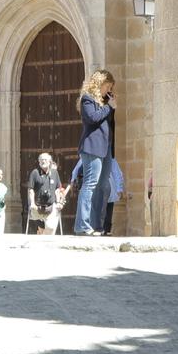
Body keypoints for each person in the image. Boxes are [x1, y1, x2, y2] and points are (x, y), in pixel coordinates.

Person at [74, 70, 115, 236]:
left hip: (105, 149)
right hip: (92, 147)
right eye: (108, 86)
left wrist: (110, 106)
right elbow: (92, 119)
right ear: (100, 84)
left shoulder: (105, 102)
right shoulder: (87, 99)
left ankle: (96, 225)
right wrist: (108, 108)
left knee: (102, 187)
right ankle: (81, 226)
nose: (109, 90)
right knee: (90, 184)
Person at [26, 152, 67, 235]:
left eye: (45, 159)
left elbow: (57, 189)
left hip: (50, 206)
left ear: (50, 162)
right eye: (41, 160)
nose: (43, 161)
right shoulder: (35, 172)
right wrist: (32, 203)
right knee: (41, 228)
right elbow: (31, 190)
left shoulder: (55, 173)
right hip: (37, 207)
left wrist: (58, 202)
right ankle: (42, 238)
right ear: (38, 162)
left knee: (51, 228)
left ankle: (44, 240)